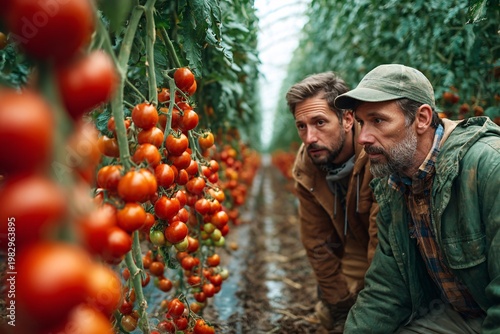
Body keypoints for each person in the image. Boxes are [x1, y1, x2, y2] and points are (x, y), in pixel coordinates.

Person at [334, 64, 500, 334]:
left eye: (378, 120)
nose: (362, 137)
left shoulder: (488, 167)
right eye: (362, 122)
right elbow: (386, 291)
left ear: (422, 118)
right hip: (464, 316)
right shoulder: (396, 186)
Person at [285, 72, 379, 332]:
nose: (309, 138)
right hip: (351, 244)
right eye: (301, 126)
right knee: (329, 315)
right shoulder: (308, 166)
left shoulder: (377, 154)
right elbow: (317, 243)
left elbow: (383, 246)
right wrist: (340, 304)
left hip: (385, 249)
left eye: (319, 123)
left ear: (347, 119)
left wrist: (365, 307)